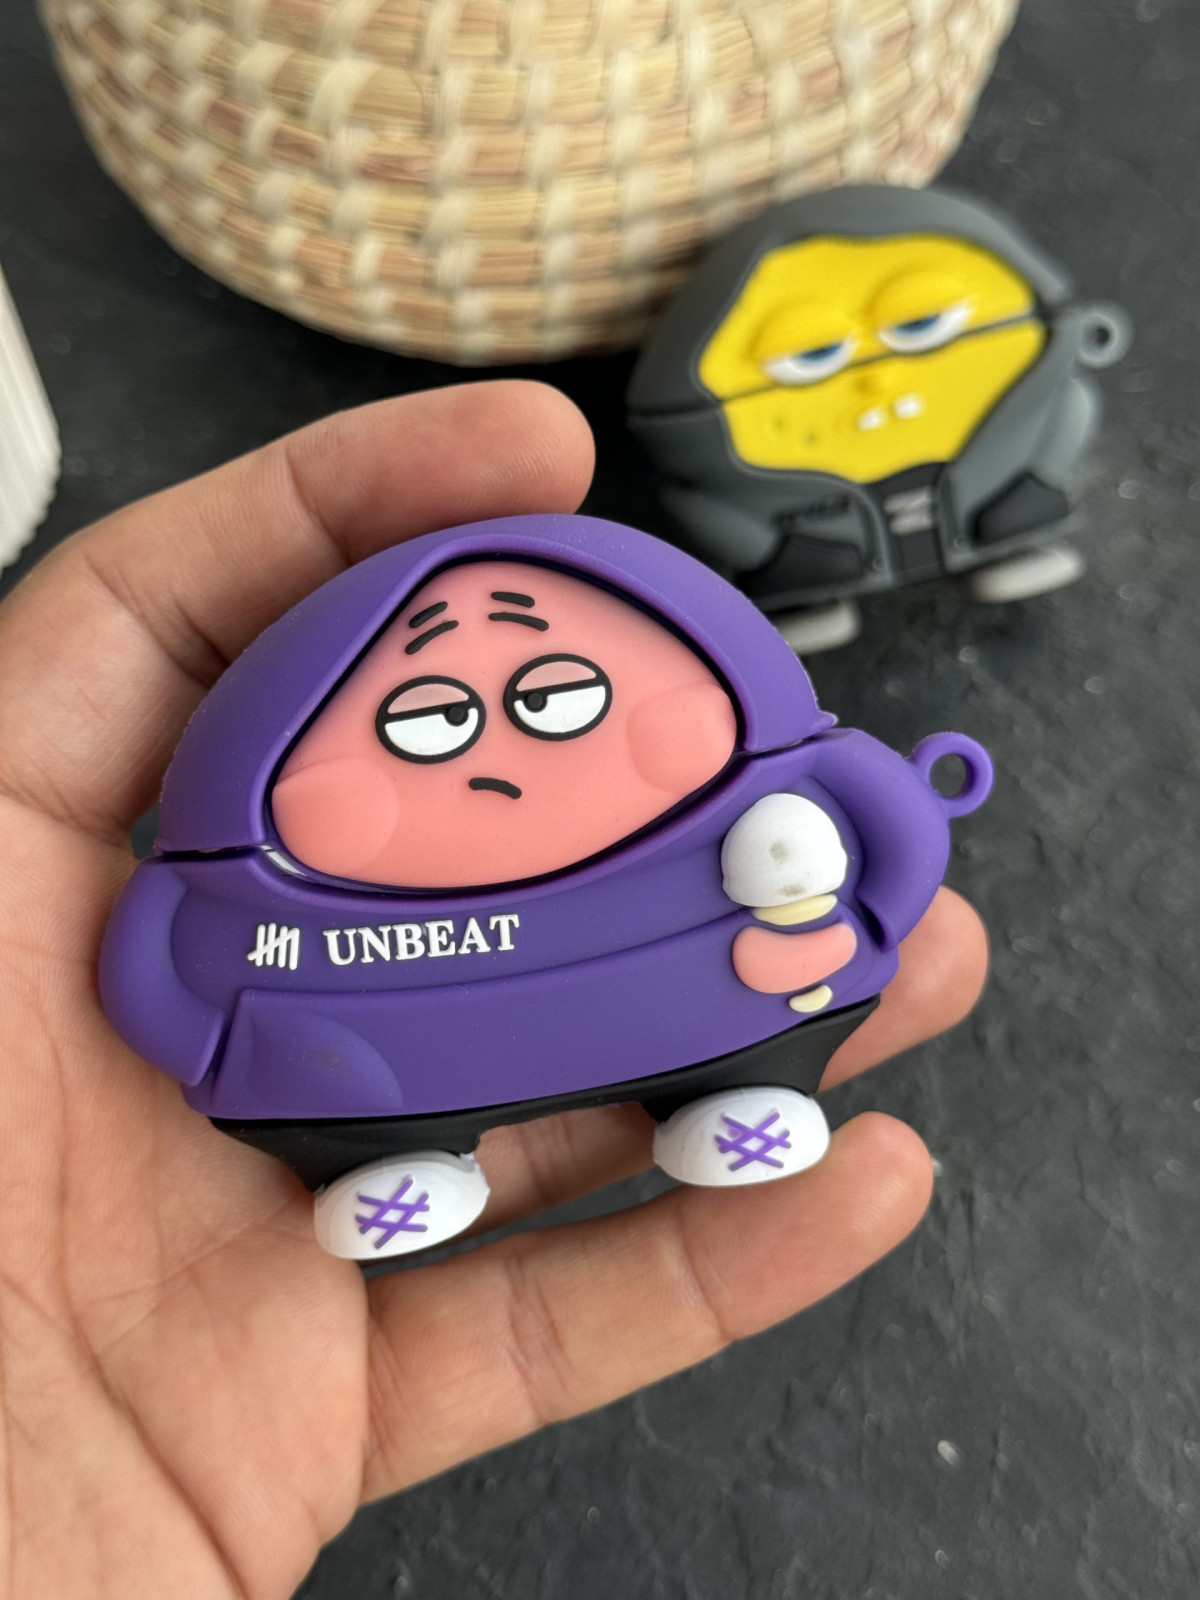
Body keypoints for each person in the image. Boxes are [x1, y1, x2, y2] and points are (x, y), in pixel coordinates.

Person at [0, 381, 987, 1598]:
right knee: (362, 1118)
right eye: (427, 719)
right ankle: (400, 1162)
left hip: (733, 986)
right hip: (359, 1054)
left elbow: (888, 828)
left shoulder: (775, 801)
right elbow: (154, 967)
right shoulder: (243, 898)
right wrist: (199, 1042)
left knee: (757, 1045)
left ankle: (735, 1098)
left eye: (556, 700)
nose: (498, 764)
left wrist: (868, 899)